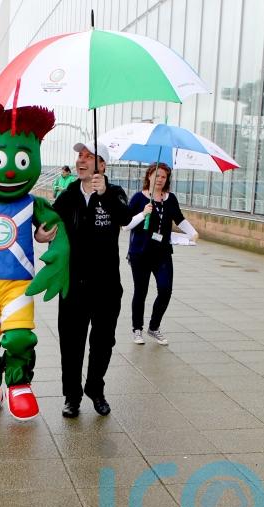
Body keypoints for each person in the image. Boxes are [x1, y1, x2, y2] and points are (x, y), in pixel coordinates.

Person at [52, 142, 131, 418]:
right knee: (71, 343)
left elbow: (125, 217)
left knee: (103, 341)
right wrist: (42, 232)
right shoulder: (68, 195)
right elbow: (48, 222)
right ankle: (71, 396)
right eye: (79, 156)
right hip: (73, 286)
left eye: (88, 156)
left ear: (102, 165)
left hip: (106, 286)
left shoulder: (116, 193)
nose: (81, 161)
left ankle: (95, 389)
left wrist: (104, 193)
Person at [123, 162, 197, 346]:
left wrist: (192, 232)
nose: (159, 179)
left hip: (162, 253)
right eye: (156, 175)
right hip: (140, 252)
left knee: (165, 290)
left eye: (163, 177)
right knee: (141, 291)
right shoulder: (139, 199)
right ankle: (137, 329)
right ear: (149, 176)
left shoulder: (170, 198)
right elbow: (125, 225)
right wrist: (142, 214)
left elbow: (179, 218)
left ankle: (154, 327)